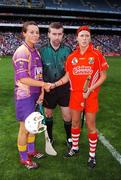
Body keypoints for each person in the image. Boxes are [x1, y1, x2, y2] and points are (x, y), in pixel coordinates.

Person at [52, 26, 109, 168]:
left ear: (90, 38)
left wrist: (91, 89)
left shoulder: (96, 55)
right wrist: (55, 84)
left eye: (86, 36)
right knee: (75, 123)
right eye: (81, 36)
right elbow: (67, 76)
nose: (84, 38)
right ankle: (75, 148)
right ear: (77, 38)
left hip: (91, 95)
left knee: (90, 125)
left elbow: (103, 76)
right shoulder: (72, 57)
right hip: (75, 95)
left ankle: (92, 156)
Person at [12, 21, 51, 169]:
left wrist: (41, 93)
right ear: (24, 33)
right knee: (24, 128)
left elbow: (39, 76)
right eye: (31, 32)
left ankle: (31, 150)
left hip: (35, 95)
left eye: (37, 32)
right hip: (25, 96)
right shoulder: (22, 51)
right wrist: (43, 86)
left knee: (33, 125)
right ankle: (24, 158)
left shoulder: (36, 51)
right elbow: (23, 78)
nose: (35, 35)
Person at [39, 22, 72, 148]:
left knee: (67, 115)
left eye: (59, 34)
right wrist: (43, 88)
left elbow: (69, 73)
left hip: (64, 88)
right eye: (54, 34)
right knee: (48, 114)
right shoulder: (42, 50)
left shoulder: (68, 50)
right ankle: (50, 138)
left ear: (63, 35)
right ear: (49, 34)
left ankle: (69, 138)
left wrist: (57, 83)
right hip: (48, 88)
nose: (57, 37)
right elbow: (39, 72)